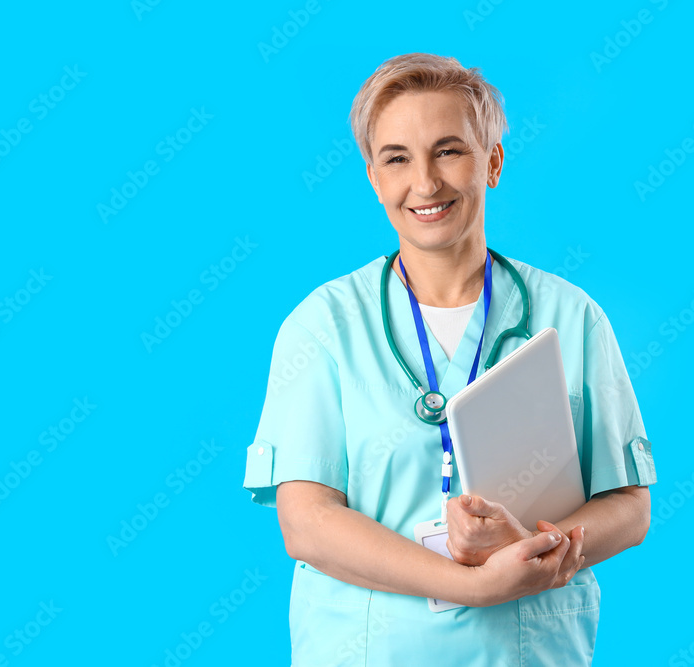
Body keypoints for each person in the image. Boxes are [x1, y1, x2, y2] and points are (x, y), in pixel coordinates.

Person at [243, 52, 657, 666]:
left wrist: (539, 543)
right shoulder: (323, 325)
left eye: (449, 151)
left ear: (491, 162)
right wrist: (472, 585)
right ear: (373, 178)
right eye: (397, 158)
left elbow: (628, 507)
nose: (426, 183)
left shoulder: (571, 318)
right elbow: (306, 523)